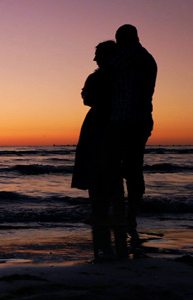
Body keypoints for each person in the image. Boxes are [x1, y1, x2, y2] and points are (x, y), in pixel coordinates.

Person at [72, 40, 125, 260]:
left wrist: (85, 92)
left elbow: (87, 100)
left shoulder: (98, 78)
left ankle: (99, 213)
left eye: (97, 55)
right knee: (112, 170)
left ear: (104, 57)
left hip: (97, 124)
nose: (94, 59)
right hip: (114, 123)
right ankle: (115, 214)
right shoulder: (122, 78)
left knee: (94, 168)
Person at [109, 24, 157, 255]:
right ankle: (130, 215)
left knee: (120, 169)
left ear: (122, 39)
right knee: (133, 170)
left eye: (118, 40)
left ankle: (123, 216)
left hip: (126, 121)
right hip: (139, 119)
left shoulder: (129, 54)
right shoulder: (146, 57)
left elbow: (106, 70)